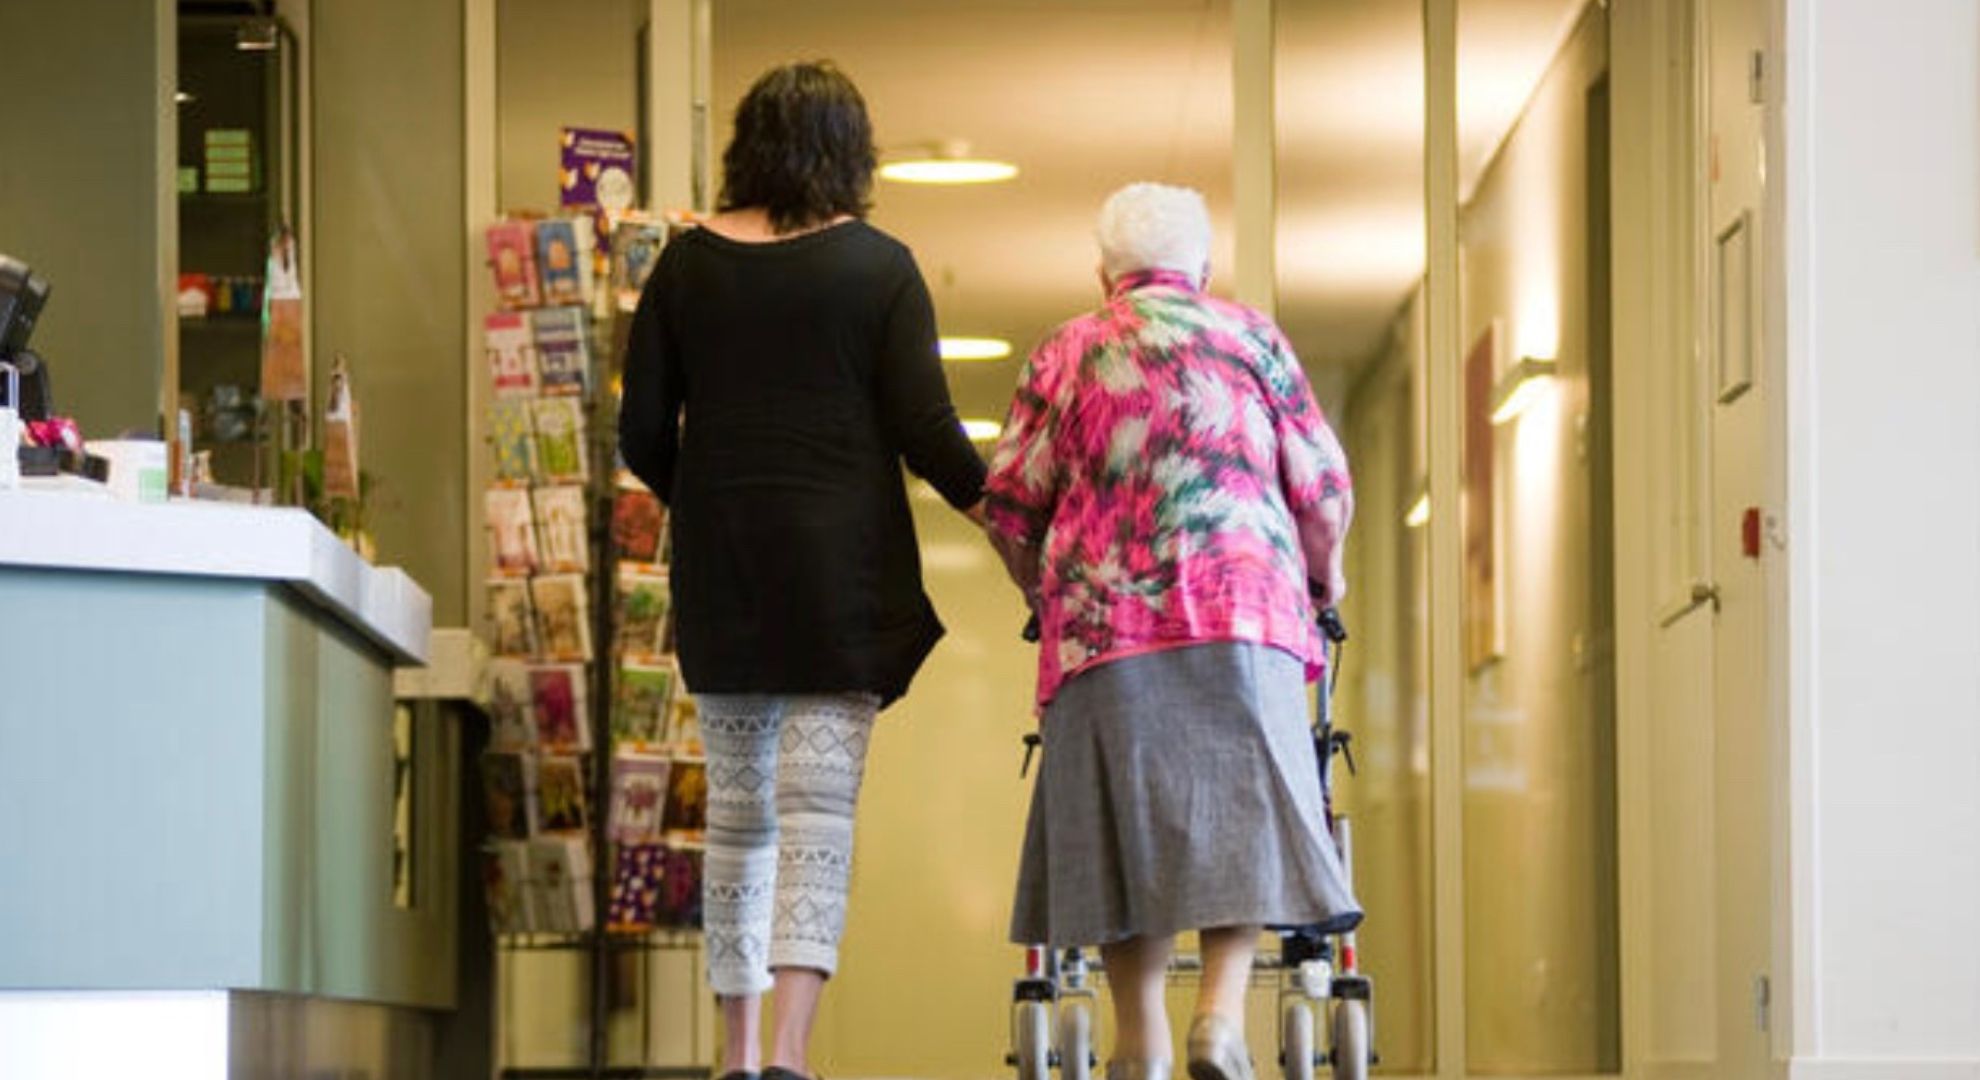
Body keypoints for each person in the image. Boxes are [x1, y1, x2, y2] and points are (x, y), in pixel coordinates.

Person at [617, 60, 986, 1080]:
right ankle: (789, 1053)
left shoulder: (686, 268)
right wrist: (1007, 518)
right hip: (841, 578)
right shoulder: (882, 268)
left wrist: (709, 492)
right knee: (815, 818)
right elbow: (927, 432)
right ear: (850, 153)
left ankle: (734, 1056)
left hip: (725, 572)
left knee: (737, 819)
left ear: (748, 147)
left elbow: (641, 430)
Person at [984, 182, 1361, 1080]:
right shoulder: (1251, 337)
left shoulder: (1067, 352)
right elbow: (1320, 482)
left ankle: (1140, 1039)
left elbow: (1007, 502)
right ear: (1202, 266)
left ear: (1103, 270)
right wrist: (1324, 575)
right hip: (1246, 610)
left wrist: (1043, 585)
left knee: (1127, 823)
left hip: (1106, 623)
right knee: (1245, 813)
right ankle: (1219, 1019)